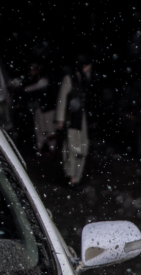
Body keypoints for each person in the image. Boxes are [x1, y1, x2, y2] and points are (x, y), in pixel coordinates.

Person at [56, 56, 93, 186]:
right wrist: (60, 119)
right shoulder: (69, 78)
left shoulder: (84, 80)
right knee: (72, 147)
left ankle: (77, 176)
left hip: (81, 118)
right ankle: (72, 177)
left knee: (83, 147)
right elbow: (62, 99)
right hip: (71, 118)